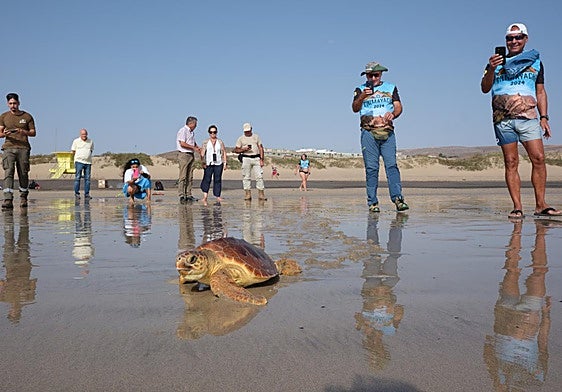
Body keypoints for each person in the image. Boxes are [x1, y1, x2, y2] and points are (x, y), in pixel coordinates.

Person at [481, 23, 561, 220]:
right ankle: (517, 207)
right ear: (506, 41)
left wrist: (544, 117)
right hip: (503, 119)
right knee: (511, 162)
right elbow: (484, 88)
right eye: (510, 38)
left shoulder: (535, 62)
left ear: (526, 39)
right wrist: (491, 69)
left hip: (529, 117)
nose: (514, 41)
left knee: (539, 158)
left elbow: (540, 91)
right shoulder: (495, 62)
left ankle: (541, 204)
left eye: (518, 37)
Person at [352, 62, 409, 213]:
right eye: (370, 75)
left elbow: (398, 107)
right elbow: (354, 108)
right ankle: (372, 202)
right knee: (371, 168)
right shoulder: (359, 89)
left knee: (391, 166)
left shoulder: (391, 88)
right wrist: (363, 96)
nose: (373, 78)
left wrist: (393, 114)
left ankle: (398, 199)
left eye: (376, 75)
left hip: (387, 132)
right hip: (368, 132)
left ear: (381, 75)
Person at [0, 93, 36, 210]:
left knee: (23, 173)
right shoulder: (4, 117)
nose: (12, 106)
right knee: (8, 171)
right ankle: (8, 199)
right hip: (8, 147)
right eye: (10, 104)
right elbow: (0, 133)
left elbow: (33, 132)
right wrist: (4, 134)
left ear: (18, 103)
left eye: (14, 103)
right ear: (7, 104)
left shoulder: (27, 116)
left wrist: (23, 131)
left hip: (23, 148)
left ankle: (23, 196)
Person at [233, 122, 267, 201]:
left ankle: (261, 194)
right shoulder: (241, 138)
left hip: (256, 158)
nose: (247, 132)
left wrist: (262, 159)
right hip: (246, 158)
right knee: (246, 176)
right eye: (246, 131)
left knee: (259, 176)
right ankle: (247, 194)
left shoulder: (256, 137)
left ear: (251, 129)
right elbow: (235, 150)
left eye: (248, 130)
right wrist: (243, 149)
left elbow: (261, 147)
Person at [200, 125, 227, 204]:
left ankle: (217, 196)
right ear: (209, 133)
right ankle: (205, 196)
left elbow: (224, 152)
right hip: (209, 163)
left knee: (217, 179)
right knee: (207, 179)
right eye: (211, 132)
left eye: (214, 132)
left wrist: (225, 163)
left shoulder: (220, 142)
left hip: (218, 163)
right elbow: (202, 153)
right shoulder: (205, 142)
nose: (213, 134)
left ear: (216, 132)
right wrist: (203, 162)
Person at [177, 116, 200, 203]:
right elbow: (182, 143)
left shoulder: (191, 132)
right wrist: (193, 147)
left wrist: (197, 147)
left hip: (190, 154)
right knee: (183, 175)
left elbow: (192, 142)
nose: (196, 126)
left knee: (189, 175)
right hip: (184, 154)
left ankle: (188, 194)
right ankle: (182, 195)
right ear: (191, 123)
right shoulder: (183, 130)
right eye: (195, 124)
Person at [71, 128, 94, 200]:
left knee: (87, 179)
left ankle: (87, 194)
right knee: (78, 178)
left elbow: (91, 150)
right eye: (83, 134)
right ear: (80, 135)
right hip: (79, 162)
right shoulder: (76, 141)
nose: (84, 136)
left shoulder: (90, 141)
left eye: (85, 134)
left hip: (88, 162)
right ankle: (77, 193)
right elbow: (73, 151)